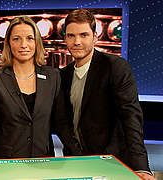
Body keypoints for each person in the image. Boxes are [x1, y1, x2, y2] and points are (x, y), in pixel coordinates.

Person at [61, 9, 156, 180]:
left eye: (84, 35)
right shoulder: (63, 75)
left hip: (112, 162)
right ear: (65, 38)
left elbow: (131, 117)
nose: (77, 41)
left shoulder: (115, 67)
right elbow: (63, 122)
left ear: (95, 37)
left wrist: (142, 166)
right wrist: (75, 154)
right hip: (76, 162)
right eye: (71, 36)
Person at [0, 16, 81, 159]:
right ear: (8, 43)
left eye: (29, 38)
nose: (23, 45)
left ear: (37, 42)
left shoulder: (53, 77)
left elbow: (61, 123)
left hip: (44, 161)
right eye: (16, 39)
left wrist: (79, 155)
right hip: (7, 163)